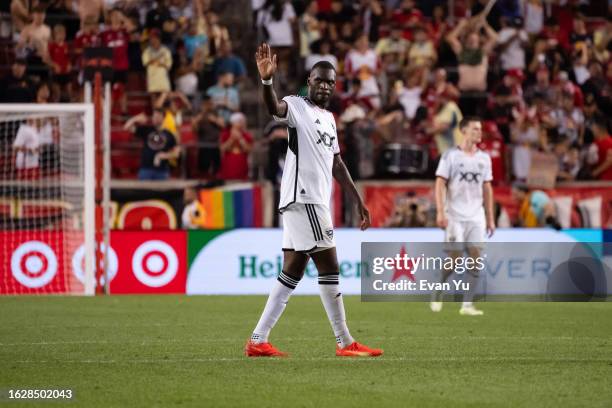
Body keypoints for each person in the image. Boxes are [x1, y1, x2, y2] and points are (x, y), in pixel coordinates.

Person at [245, 43, 382, 358]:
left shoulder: (330, 118)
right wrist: (267, 82)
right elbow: (273, 109)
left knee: (292, 270)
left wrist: (358, 200)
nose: (325, 86)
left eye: (330, 82)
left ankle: (258, 339)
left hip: (313, 200)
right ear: (309, 81)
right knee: (330, 265)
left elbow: (336, 163)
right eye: (320, 80)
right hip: (303, 198)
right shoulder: (296, 105)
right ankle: (345, 342)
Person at [432, 117, 495, 316]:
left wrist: (491, 217)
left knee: (476, 258)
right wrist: (441, 211)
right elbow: (440, 183)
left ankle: (467, 305)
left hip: (477, 215)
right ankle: (438, 289)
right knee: (456, 257)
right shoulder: (450, 155)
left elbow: (487, 188)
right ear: (464, 131)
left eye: (480, 129)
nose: (479, 132)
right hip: (455, 216)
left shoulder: (484, 158)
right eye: (475, 129)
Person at [123, 109, 180, 180]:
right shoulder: (147, 130)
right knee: (144, 190)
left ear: (163, 117)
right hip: (146, 169)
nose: (155, 118)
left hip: (162, 171)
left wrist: (162, 156)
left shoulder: (169, 134)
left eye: (158, 116)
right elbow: (126, 127)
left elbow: (176, 153)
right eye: (154, 116)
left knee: (161, 191)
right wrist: (136, 118)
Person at [193, 95, 224, 178]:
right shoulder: (198, 114)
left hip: (214, 144)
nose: (209, 105)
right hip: (203, 144)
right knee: (203, 168)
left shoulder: (215, 112)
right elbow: (193, 127)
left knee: (216, 167)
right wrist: (202, 114)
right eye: (207, 103)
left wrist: (214, 120)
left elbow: (222, 124)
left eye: (210, 103)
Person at [219, 112, 253, 180]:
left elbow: (249, 149)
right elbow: (222, 148)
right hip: (229, 163)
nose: (242, 124)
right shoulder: (225, 134)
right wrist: (231, 139)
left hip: (242, 163)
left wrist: (240, 139)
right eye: (239, 122)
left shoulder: (247, 135)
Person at [142, 29, 173, 96]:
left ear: (159, 39)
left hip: (163, 80)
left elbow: (168, 65)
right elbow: (145, 63)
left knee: (166, 98)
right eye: (151, 38)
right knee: (153, 99)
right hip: (152, 79)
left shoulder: (166, 51)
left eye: (155, 38)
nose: (153, 40)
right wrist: (156, 60)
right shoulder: (147, 51)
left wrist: (159, 62)